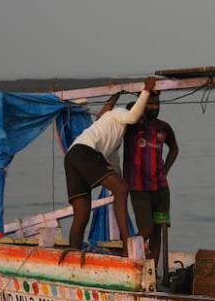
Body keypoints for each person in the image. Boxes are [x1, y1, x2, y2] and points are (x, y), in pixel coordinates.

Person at [62, 76, 157, 258]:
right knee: (121, 189)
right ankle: (125, 244)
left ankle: (72, 253)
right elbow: (132, 115)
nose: (139, 123)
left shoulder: (114, 137)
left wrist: (115, 93)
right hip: (84, 151)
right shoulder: (119, 114)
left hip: (72, 156)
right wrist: (146, 90)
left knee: (82, 213)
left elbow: (113, 167)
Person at [123, 91, 179, 264]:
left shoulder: (164, 127)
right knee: (146, 229)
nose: (155, 107)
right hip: (138, 187)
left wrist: (165, 170)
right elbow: (126, 110)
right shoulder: (132, 125)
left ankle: (153, 271)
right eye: (150, 103)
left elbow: (174, 148)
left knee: (158, 230)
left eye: (157, 104)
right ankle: (129, 258)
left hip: (160, 188)